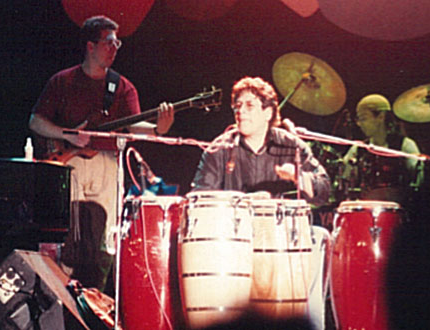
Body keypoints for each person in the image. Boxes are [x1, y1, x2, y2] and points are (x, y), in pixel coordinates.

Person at [28, 15, 174, 293]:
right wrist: (67, 134)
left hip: (106, 167)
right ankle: (61, 297)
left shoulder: (121, 87)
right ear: (90, 46)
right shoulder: (63, 81)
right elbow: (35, 121)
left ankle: (94, 298)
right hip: (69, 167)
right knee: (67, 236)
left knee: (103, 239)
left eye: (117, 43)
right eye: (109, 42)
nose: (115, 48)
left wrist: (158, 129)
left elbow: (133, 125)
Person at [191, 76, 330, 205]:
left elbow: (324, 191)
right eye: (237, 106)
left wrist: (298, 176)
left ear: (268, 113)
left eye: (249, 106)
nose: (241, 111)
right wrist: (244, 201)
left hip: (280, 228)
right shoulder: (219, 149)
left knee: (320, 233)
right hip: (233, 228)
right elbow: (200, 198)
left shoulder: (292, 145)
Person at [341, 93, 424, 205]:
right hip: (366, 209)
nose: (359, 124)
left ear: (381, 117)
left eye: (364, 118)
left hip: (400, 210)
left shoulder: (405, 145)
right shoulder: (358, 149)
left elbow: (419, 179)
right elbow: (345, 178)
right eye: (358, 120)